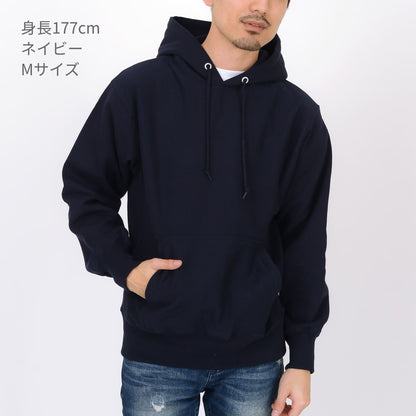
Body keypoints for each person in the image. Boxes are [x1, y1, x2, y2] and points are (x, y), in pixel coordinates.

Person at [61, 1, 332, 415]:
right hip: (157, 354)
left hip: (255, 360)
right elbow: (87, 188)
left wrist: (302, 359)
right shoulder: (140, 90)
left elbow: (305, 241)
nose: (260, 7)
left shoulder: (298, 116)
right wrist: (125, 268)